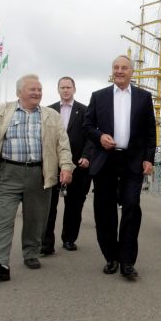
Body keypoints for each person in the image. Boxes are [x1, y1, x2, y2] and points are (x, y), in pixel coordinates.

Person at [0, 74, 74, 281]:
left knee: (36, 219)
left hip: (39, 174)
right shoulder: (1, 112)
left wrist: (66, 166)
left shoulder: (51, 115)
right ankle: (0, 264)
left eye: (39, 90)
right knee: (3, 220)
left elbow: (62, 144)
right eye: (33, 90)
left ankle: (31, 253)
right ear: (19, 92)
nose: (37, 93)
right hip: (7, 173)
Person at [84, 55, 156, 280]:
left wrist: (149, 158)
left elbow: (150, 131)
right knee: (104, 210)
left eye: (124, 67)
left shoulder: (144, 97)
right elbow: (87, 125)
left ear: (131, 71)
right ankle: (111, 256)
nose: (119, 71)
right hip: (105, 160)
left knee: (131, 208)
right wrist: (99, 136)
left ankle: (127, 261)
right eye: (116, 67)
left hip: (132, 161)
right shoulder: (99, 96)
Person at [41, 76, 94, 254]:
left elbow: (90, 137)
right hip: (52, 165)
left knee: (74, 205)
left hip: (78, 165)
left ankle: (69, 239)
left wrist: (86, 156)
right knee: (49, 205)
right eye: (62, 87)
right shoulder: (48, 111)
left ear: (74, 89)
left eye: (68, 87)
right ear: (58, 89)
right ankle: (46, 243)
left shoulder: (85, 111)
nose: (65, 90)